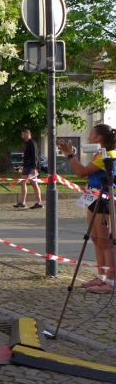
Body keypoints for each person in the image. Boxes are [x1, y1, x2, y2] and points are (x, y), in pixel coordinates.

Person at [59, 125, 116, 293]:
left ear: (99, 138)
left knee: (105, 242)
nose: (89, 136)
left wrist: (70, 154)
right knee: (96, 239)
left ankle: (111, 282)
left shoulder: (107, 155)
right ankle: (101, 276)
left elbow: (81, 172)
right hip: (93, 197)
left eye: (91, 133)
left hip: (104, 200)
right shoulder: (99, 153)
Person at [15, 128, 43, 210]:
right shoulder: (28, 143)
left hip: (30, 167)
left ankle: (24, 203)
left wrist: (34, 168)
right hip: (28, 167)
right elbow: (27, 157)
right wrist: (22, 166)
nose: (21, 136)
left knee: (25, 182)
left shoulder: (32, 143)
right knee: (32, 183)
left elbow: (34, 156)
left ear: (27, 134)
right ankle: (37, 203)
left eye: (22, 134)